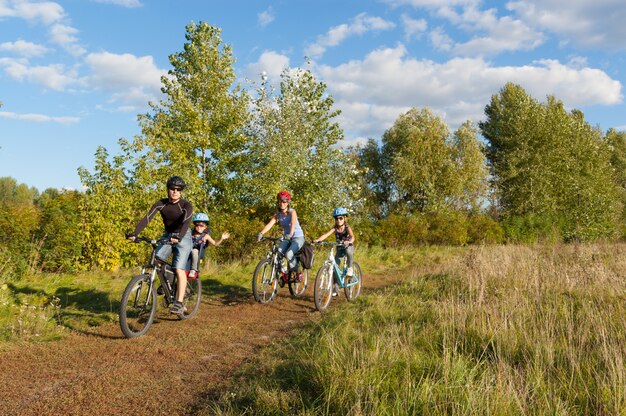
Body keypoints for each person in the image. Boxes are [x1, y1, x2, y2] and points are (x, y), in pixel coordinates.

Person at [128, 176, 193, 314]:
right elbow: (147, 218)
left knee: (179, 268)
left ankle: (179, 303)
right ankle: (168, 283)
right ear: (168, 189)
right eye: (172, 189)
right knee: (156, 259)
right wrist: (135, 233)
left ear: (181, 192)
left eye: (178, 189)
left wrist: (179, 237)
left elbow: (186, 222)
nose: (175, 191)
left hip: (184, 235)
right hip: (168, 234)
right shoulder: (160, 204)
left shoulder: (186, 206)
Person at [257, 191, 305, 285]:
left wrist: (290, 234)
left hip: (297, 237)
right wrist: (261, 233)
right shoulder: (278, 214)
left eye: (284, 202)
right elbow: (270, 224)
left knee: (289, 254)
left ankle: (298, 273)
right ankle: (285, 273)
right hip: (287, 238)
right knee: (278, 253)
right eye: (280, 201)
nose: (282, 204)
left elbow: (292, 224)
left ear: (288, 203)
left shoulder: (292, 212)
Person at [313, 207, 356, 295]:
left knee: (348, 252)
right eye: (337, 218)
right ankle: (336, 288)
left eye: (341, 218)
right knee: (334, 268)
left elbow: (352, 236)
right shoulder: (335, 229)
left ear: (345, 218)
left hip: (348, 246)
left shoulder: (347, 227)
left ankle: (350, 268)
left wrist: (349, 241)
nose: (338, 220)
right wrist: (318, 240)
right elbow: (326, 235)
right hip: (339, 248)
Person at [189, 212, 230, 278]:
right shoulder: (190, 234)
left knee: (194, 251)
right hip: (187, 252)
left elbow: (215, 244)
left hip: (198, 253)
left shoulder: (206, 236)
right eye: (197, 225)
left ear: (205, 226)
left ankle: (193, 270)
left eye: (201, 225)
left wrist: (222, 238)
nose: (199, 227)